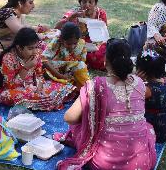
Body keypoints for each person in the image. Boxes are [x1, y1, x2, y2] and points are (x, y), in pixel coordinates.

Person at [55, 38, 156, 170]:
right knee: (147, 127)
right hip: (142, 162)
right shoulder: (139, 83)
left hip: (105, 163)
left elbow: (69, 117)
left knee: (79, 127)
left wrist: (90, 115)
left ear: (105, 61)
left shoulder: (95, 86)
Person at [0, 28, 75, 111]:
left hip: (32, 85)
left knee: (63, 88)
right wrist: (26, 67)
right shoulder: (9, 58)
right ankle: (46, 101)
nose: (35, 51)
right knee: (10, 95)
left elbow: (39, 75)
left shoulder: (36, 54)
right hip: (11, 89)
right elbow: (9, 85)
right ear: (19, 48)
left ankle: (45, 100)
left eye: (36, 47)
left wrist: (39, 88)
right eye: (30, 48)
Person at [55, 0, 107, 70]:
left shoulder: (100, 14)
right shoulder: (74, 13)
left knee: (105, 52)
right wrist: (71, 17)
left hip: (96, 44)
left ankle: (85, 62)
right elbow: (56, 28)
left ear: (95, 3)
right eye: (84, 2)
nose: (87, 5)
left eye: (90, 2)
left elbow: (103, 35)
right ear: (80, 3)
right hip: (76, 43)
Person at [42, 22, 89, 89]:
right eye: (69, 44)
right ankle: (69, 84)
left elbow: (81, 63)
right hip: (56, 71)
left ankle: (85, 89)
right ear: (61, 39)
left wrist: (71, 73)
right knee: (44, 70)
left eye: (75, 43)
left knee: (81, 65)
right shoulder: (56, 42)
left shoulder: (81, 44)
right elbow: (44, 60)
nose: (72, 46)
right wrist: (60, 76)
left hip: (71, 71)